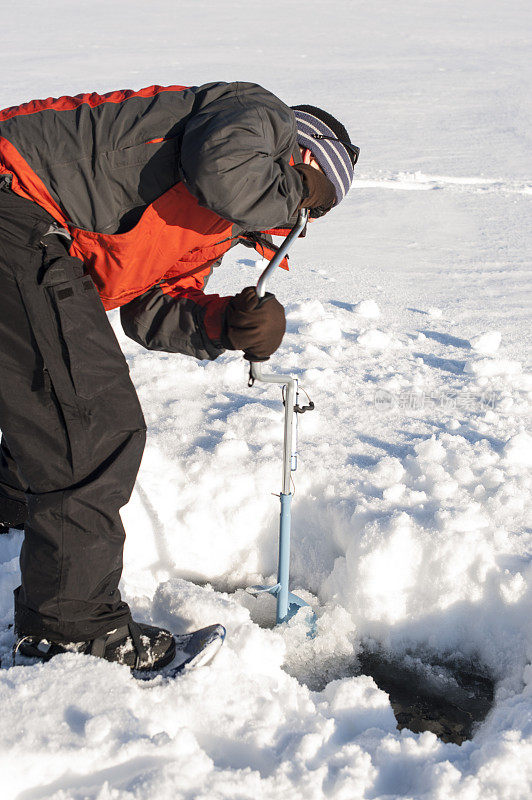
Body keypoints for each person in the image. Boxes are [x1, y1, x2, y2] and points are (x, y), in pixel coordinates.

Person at [0, 81, 358, 671]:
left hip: (30, 227)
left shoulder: (215, 223)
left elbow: (150, 309)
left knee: (59, 386)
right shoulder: (258, 114)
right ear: (303, 159)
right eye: (311, 206)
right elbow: (222, 167)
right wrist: (300, 187)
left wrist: (227, 324)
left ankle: (16, 516)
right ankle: (70, 631)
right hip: (18, 200)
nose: (299, 219)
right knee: (92, 421)